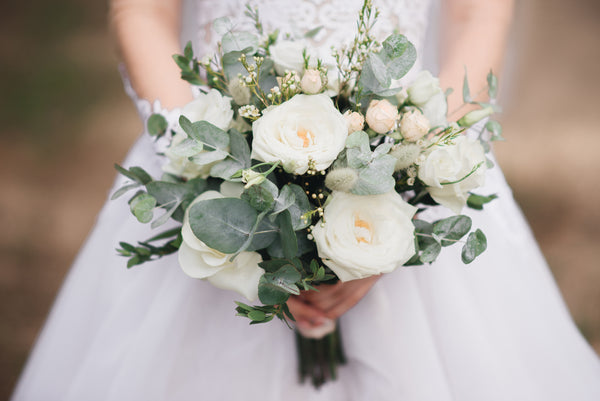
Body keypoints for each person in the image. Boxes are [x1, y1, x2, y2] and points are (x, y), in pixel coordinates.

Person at [11, 0, 600, 400]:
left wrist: (407, 190)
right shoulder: (206, 153)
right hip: (211, 154)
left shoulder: (412, 170)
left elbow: (478, 16)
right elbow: (138, 9)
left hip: (408, 145)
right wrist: (205, 155)